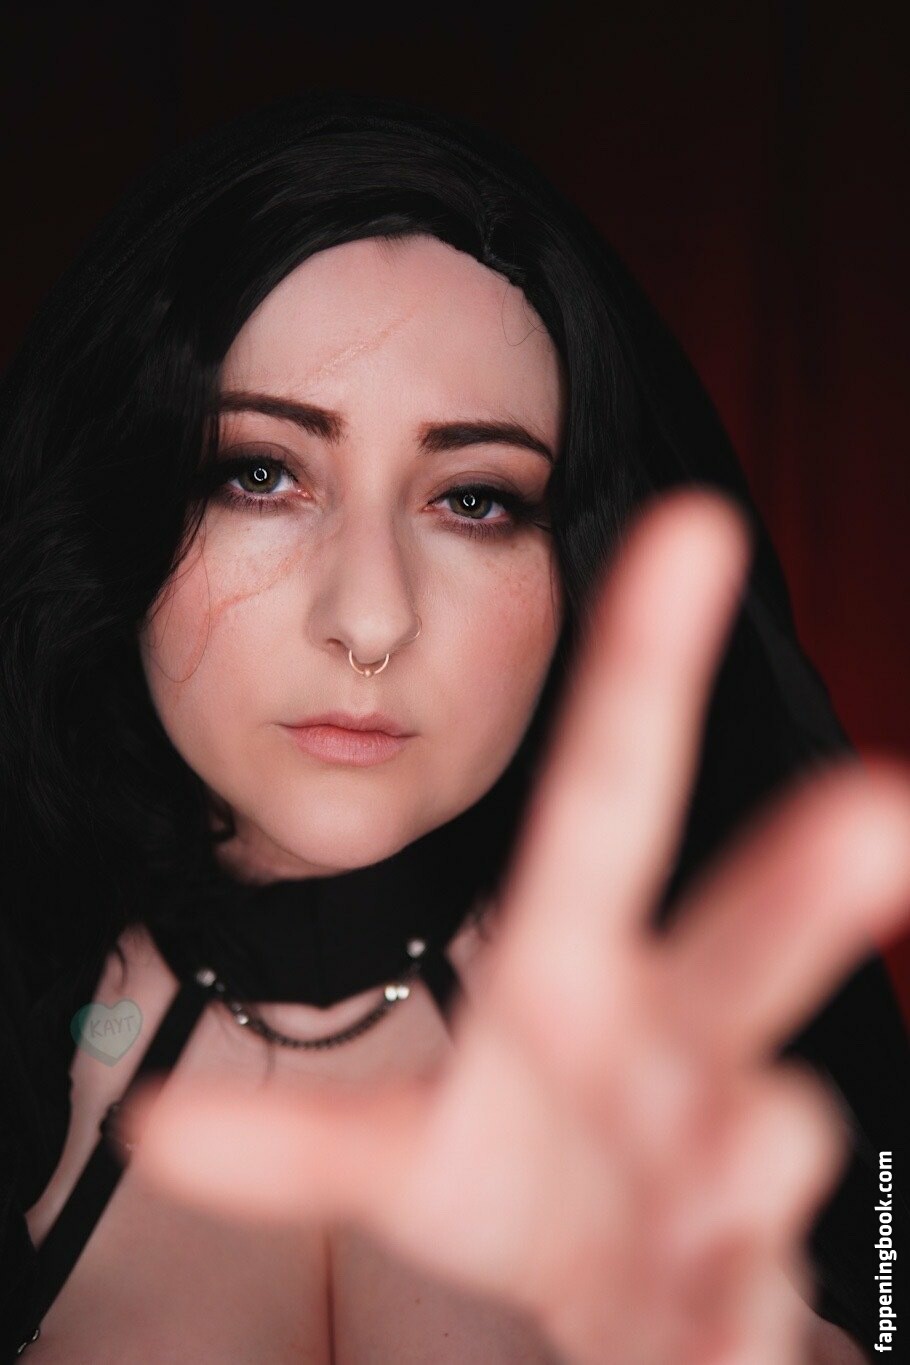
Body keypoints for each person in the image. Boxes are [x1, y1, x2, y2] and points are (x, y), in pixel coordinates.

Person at [0, 88, 907, 1364]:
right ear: (116, 515)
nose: (370, 618)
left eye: (474, 498)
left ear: (581, 562)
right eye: (260, 473)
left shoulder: (704, 1089)